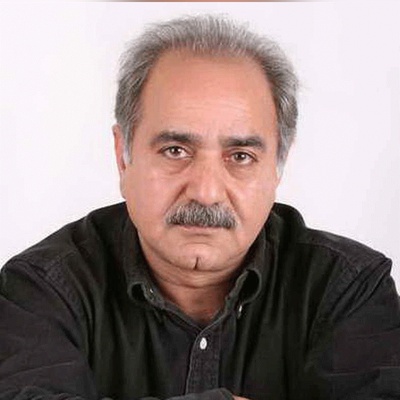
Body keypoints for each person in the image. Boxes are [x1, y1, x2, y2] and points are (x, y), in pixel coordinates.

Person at [0, 14, 399, 400]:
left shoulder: (347, 289)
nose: (206, 193)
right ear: (123, 157)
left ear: (278, 167)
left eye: (240, 156)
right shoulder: (41, 290)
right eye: (175, 150)